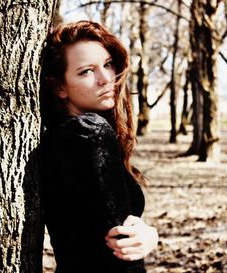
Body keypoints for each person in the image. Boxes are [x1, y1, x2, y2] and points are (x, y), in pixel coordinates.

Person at [39, 20, 158, 273]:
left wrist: (148, 234)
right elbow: (121, 250)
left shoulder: (62, 136)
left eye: (107, 64)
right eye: (86, 71)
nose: (106, 78)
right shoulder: (89, 134)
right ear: (59, 87)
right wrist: (143, 239)